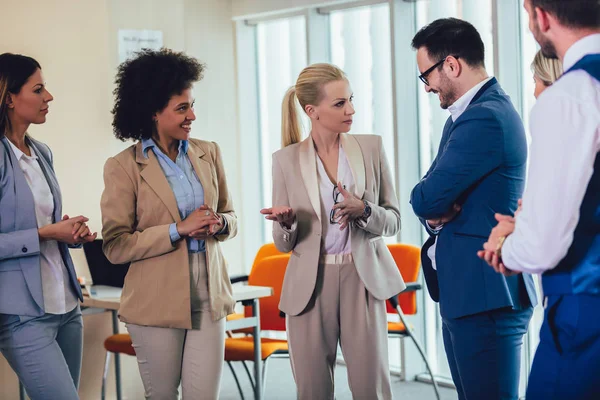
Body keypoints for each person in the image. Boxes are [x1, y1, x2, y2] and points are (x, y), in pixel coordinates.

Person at [409, 18, 537, 399]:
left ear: (451, 64)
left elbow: (425, 198)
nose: (428, 86)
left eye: (426, 76)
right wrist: (435, 206)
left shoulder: (484, 117)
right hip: (468, 291)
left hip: (488, 294)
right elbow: (430, 197)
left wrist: (435, 205)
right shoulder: (464, 116)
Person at [260, 63, 405, 400]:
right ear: (312, 111)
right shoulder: (285, 160)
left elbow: (395, 220)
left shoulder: (370, 148)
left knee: (372, 389)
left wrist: (364, 210)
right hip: (310, 285)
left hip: (363, 278)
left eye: (350, 99)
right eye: (339, 103)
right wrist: (287, 225)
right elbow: (283, 245)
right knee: (312, 391)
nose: (351, 110)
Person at [479, 1, 600, 398]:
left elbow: (541, 247)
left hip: (586, 315)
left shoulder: (571, 96)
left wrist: (507, 245)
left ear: (540, 15)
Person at [101, 48, 237, 400]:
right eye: (181, 108)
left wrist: (219, 223)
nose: (192, 115)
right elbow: (115, 245)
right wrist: (179, 229)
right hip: (155, 299)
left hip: (209, 293)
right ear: (153, 112)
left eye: (192, 105)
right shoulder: (123, 167)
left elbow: (231, 217)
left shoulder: (209, 152)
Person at [0, 53, 96, 399]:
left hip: (67, 304)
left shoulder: (41, 152)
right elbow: (34, 233)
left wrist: (69, 232)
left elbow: (43, 222)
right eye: (38, 89)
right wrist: (43, 235)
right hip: (22, 314)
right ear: (9, 97)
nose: (49, 97)